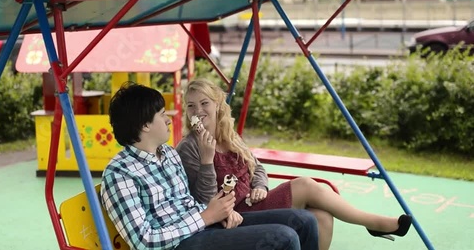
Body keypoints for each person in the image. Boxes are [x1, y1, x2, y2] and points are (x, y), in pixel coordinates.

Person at [176, 78, 413, 250]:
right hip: (233, 215)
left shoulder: (229, 135)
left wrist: (261, 186)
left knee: (321, 215)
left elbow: (256, 167)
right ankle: (373, 222)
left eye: (204, 103)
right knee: (306, 185)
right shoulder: (189, 147)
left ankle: (373, 223)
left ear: (218, 105)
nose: (198, 110)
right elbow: (201, 200)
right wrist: (207, 161)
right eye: (191, 106)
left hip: (255, 202)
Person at [100, 81, 321, 250]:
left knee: (304, 221)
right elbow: (144, 241)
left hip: (202, 227)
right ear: (145, 125)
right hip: (179, 244)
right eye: (162, 115)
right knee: (285, 237)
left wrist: (221, 213)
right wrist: (206, 217)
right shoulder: (120, 174)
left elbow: (189, 202)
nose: (168, 120)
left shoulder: (167, 154)